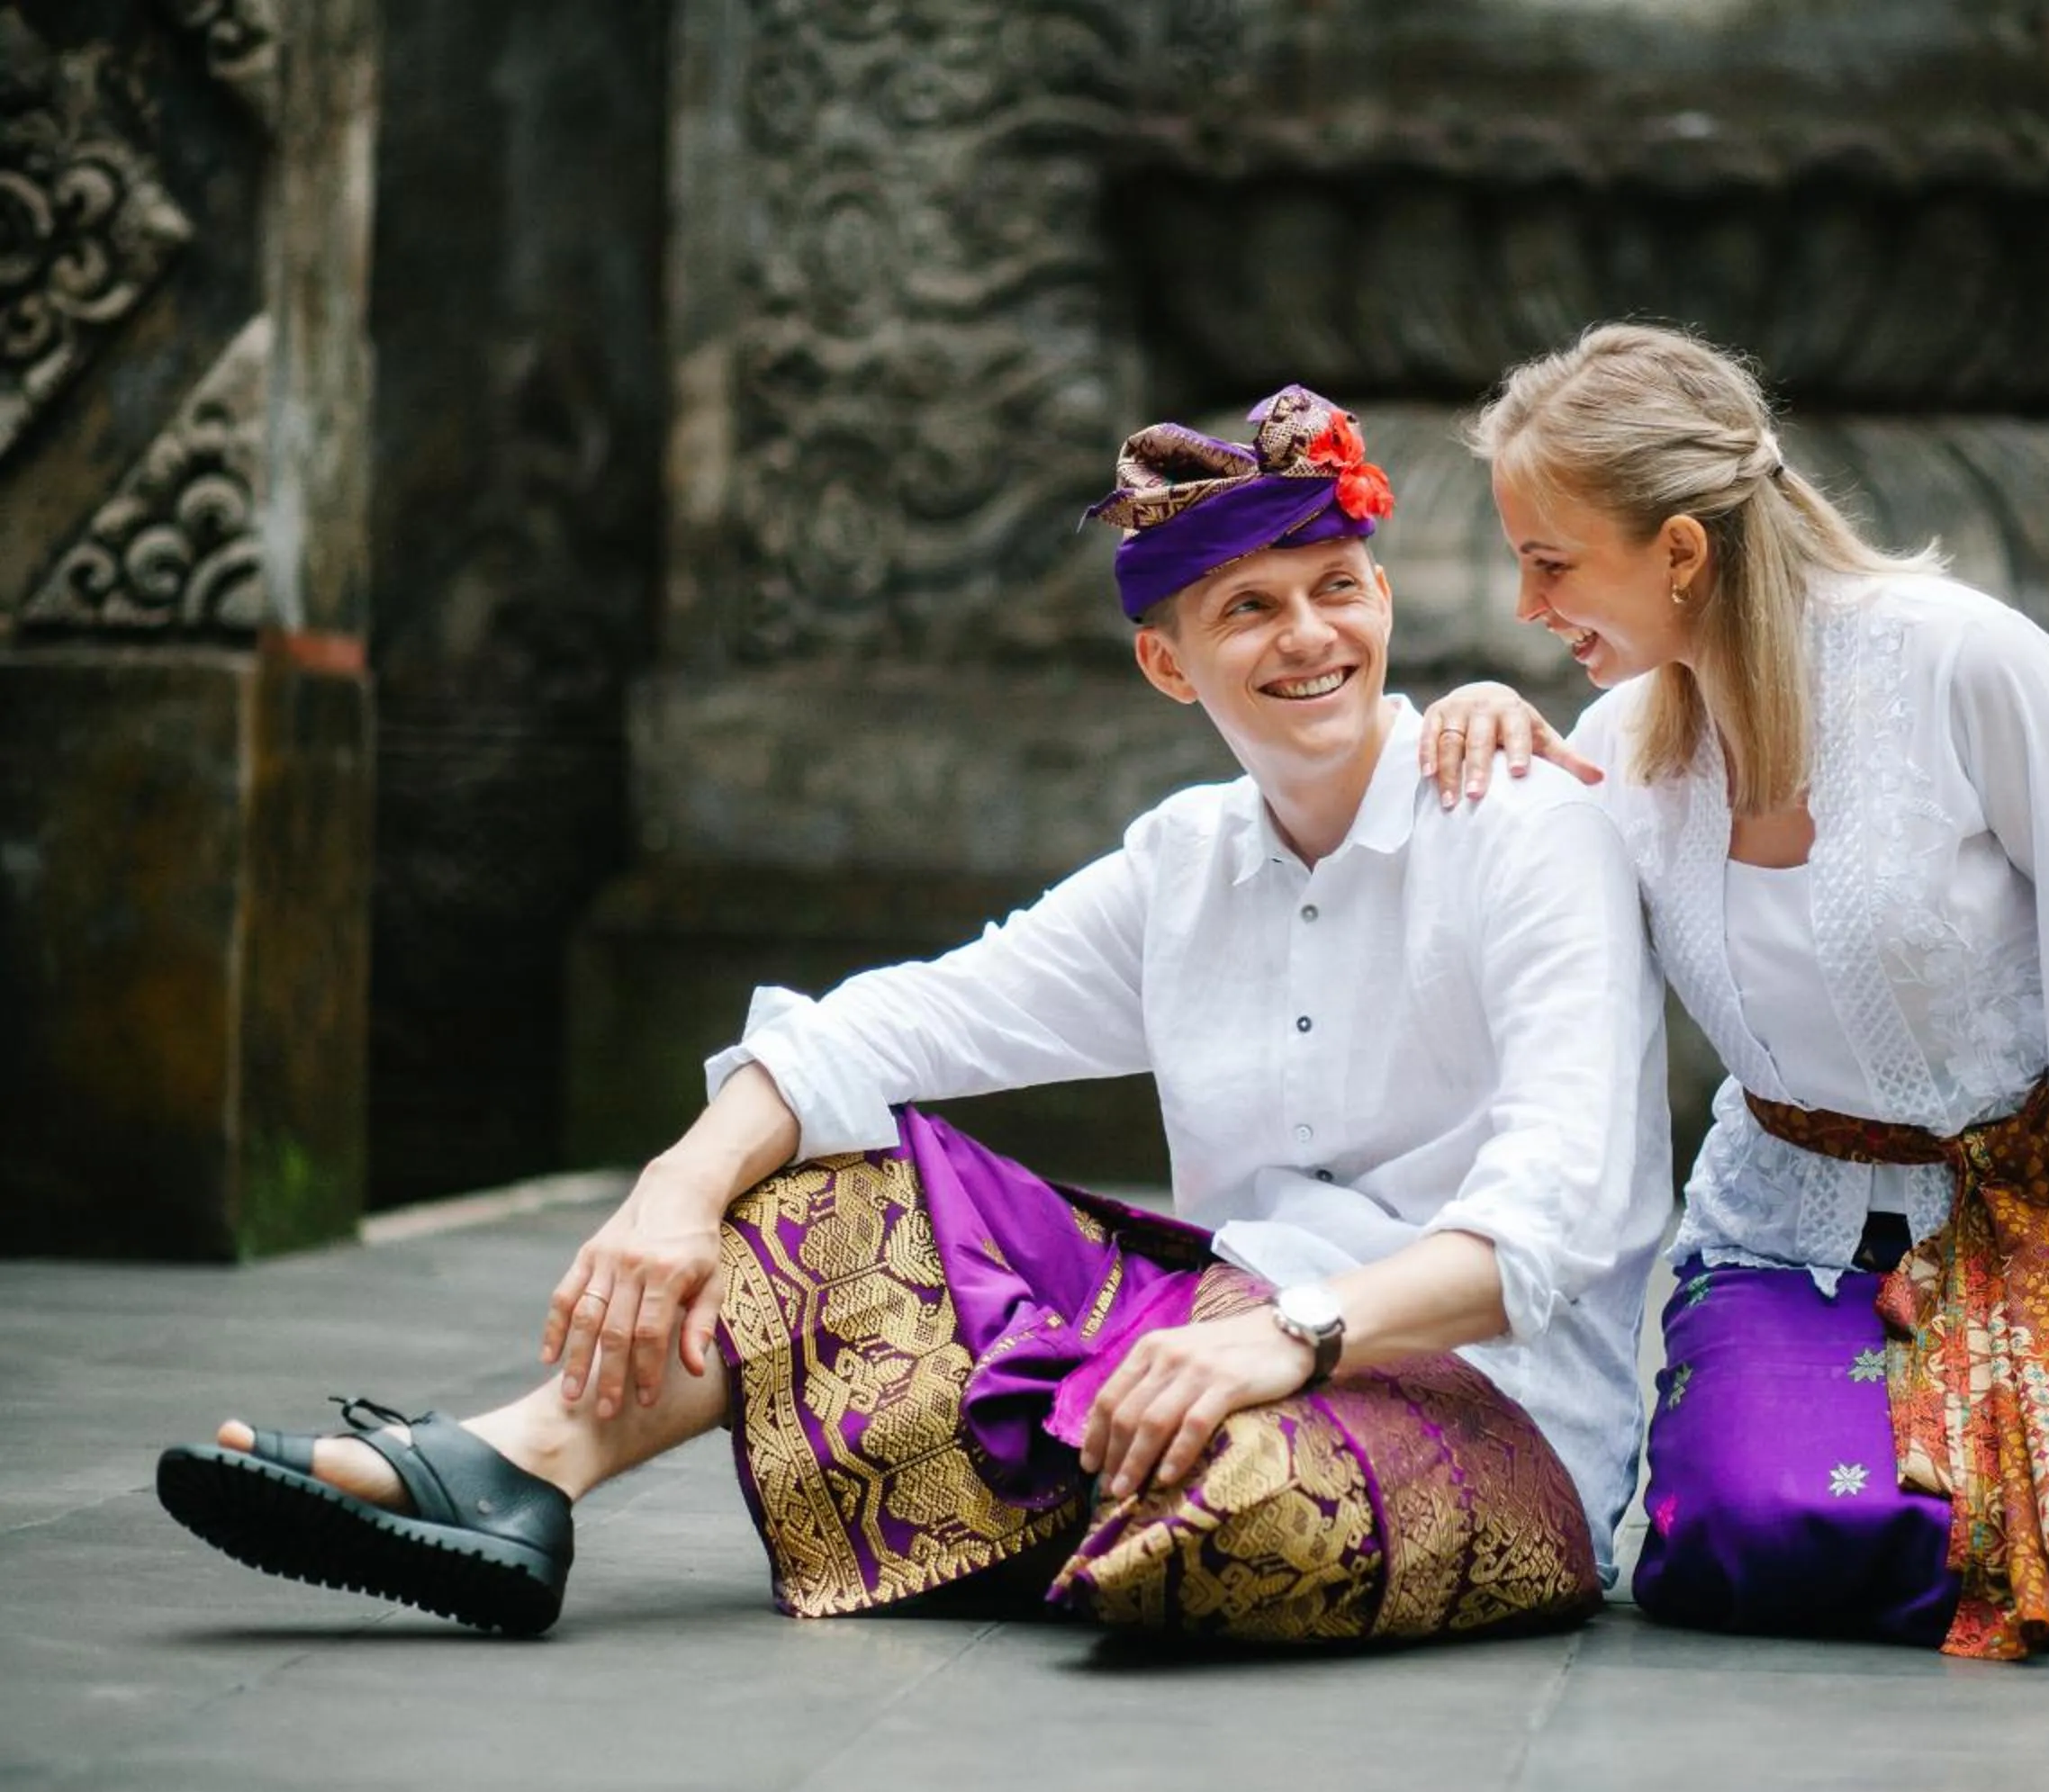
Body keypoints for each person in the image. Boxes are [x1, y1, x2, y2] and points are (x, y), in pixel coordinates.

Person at [158, 384, 1673, 1643]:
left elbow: (1555, 1217)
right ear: (1167, 661)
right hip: (1215, 1340)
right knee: (810, 1198)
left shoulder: (1521, 823)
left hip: (1500, 1416)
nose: (1310, 637)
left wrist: (1295, 1331)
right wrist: (675, 1189)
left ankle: (1058, 1480)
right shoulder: (1184, 867)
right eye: (1250, 609)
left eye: (1338, 590)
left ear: (1386, 602)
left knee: (1233, 1507)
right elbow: (890, 1030)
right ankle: (518, 1468)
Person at [1422, 323, 2049, 1660]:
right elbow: (1505, 959)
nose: (1526, 606)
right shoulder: (1621, 741)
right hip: (1789, 1236)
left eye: (1551, 563)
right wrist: (1471, 738)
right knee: (1736, 1534)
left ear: (1680, 550)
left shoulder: (1965, 662)